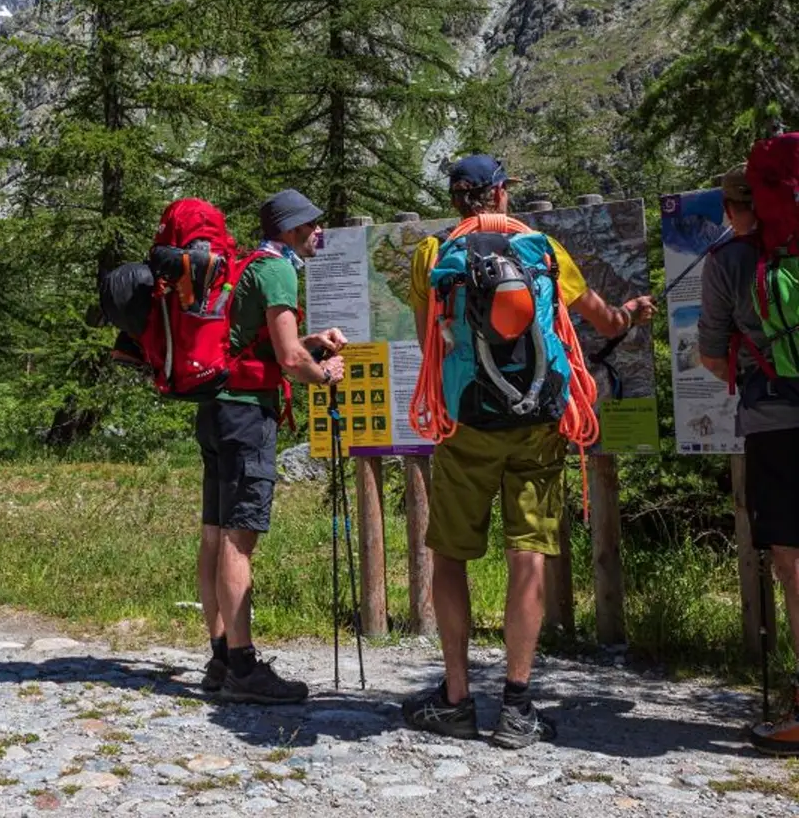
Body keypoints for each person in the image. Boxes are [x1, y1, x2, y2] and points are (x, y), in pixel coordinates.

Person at [402, 154, 655, 747]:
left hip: (466, 425)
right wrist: (631, 313)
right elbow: (603, 319)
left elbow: (428, 347)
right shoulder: (543, 250)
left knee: (450, 556)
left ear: (458, 200)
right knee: (528, 556)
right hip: (539, 423)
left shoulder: (433, 255)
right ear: (501, 194)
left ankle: (457, 699)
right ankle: (517, 706)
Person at [197, 188, 346, 705]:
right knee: (239, 540)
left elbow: (258, 345)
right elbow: (287, 359)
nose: (316, 232)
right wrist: (323, 373)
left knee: (215, 533)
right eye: (309, 225)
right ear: (290, 230)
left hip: (217, 407)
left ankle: (219, 658)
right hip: (246, 416)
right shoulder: (280, 271)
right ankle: (243, 666)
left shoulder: (248, 266)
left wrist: (311, 343)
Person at [698, 164, 799, 754]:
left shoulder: (730, 263)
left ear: (741, 209)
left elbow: (712, 357)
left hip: (776, 422)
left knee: (791, 556)